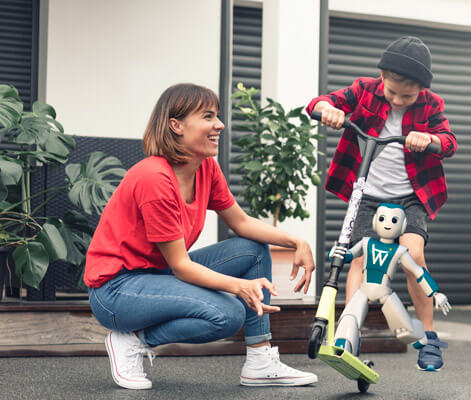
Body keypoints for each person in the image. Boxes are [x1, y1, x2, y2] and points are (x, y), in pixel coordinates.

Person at [85, 83, 318, 390]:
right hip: (116, 290)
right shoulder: (153, 178)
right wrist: (239, 286)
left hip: (159, 274)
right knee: (228, 313)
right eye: (208, 116)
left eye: (217, 116)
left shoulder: (205, 167)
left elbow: (242, 222)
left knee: (252, 249)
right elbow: (182, 266)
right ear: (176, 125)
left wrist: (297, 242)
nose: (219, 125)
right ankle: (133, 341)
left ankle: (260, 361)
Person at [306, 36, 457, 371]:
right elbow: (318, 103)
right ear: (382, 77)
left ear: (421, 89)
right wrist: (327, 110)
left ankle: (429, 338)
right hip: (369, 195)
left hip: (410, 196)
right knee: (358, 261)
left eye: (408, 95)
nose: (399, 100)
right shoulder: (364, 90)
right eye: (392, 92)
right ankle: (346, 339)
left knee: (413, 256)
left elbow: (449, 142)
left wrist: (429, 139)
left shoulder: (431, 104)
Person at [329, 203, 451, 370]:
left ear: (402, 226)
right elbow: (349, 255)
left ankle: (423, 335)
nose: (387, 224)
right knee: (349, 318)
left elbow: (418, 272)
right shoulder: (366, 243)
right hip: (364, 290)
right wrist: (337, 253)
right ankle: (346, 347)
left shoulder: (400, 251)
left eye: (394, 220)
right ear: (374, 222)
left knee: (404, 330)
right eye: (382, 219)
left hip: (385, 294)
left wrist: (435, 293)